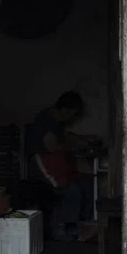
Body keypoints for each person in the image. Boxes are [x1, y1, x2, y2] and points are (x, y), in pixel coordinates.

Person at [28, 91, 97, 242]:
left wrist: (83, 139)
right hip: (43, 166)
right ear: (65, 110)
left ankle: (83, 224)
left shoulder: (57, 122)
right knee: (72, 191)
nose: (73, 118)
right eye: (73, 113)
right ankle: (66, 229)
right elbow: (51, 146)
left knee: (88, 182)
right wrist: (74, 145)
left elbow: (65, 136)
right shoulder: (47, 120)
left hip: (58, 164)